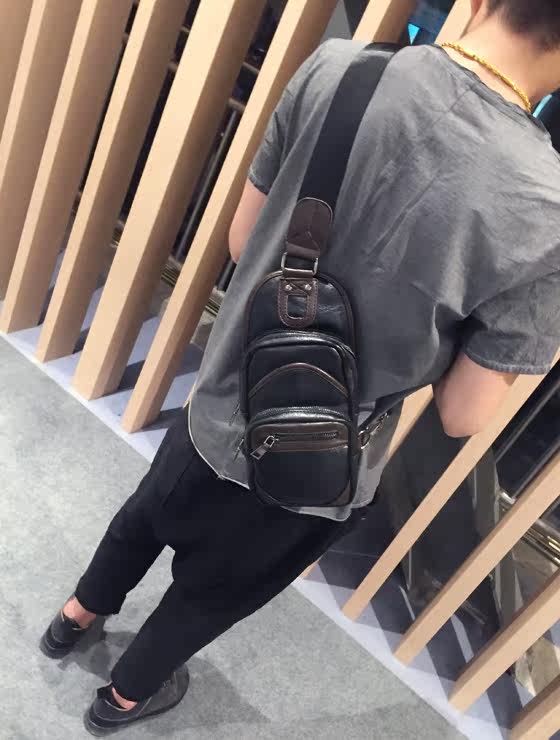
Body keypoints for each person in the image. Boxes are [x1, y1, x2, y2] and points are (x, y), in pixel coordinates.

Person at [42, 0, 560, 734]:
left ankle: (74, 617)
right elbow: (463, 413)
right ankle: (122, 698)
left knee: (148, 514)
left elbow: (244, 238)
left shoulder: (341, 69)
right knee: (216, 591)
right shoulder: (547, 209)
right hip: (321, 463)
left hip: (227, 394)